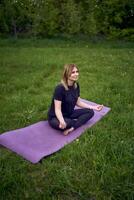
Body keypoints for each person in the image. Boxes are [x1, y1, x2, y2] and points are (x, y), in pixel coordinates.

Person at [47, 64, 103, 136]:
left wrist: (93, 107)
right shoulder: (60, 88)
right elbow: (57, 109)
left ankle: (72, 128)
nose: (76, 74)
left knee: (90, 112)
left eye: (77, 71)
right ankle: (72, 124)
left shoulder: (76, 85)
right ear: (66, 74)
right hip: (55, 117)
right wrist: (61, 121)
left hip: (69, 113)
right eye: (73, 72)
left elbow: (78, 102)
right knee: (68, 123)